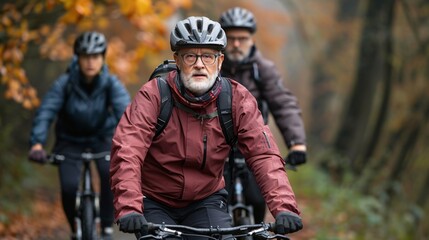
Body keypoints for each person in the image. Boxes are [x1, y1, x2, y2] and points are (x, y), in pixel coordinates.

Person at [110, 16, 303, 238]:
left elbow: (264, 155)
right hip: (155, 201)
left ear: (220, 61)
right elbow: (128, 150)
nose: (199, 64)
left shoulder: (236, 99)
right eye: (190, 56)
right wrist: (130, 207)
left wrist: (284, 207)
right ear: (178, 60)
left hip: (206, 199)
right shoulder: (153, 95)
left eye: (208, 56)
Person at [28, 31, 131, 240]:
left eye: (95, 56)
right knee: (68, 187)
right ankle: (75, 229)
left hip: (102, 137)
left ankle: (106, 228)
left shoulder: (111, 83)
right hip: (70, 140)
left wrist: (131, 144)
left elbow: (127, 115)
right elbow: (47, 111)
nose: (90, 62)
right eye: (86, 56)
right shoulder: (64, 84)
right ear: (78, 58)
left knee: (109, 175)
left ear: (102, 58)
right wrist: (37, 143)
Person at [219, 7, 308, 224]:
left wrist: (297, 144)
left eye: (242, 38)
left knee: (259, 200)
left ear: (251, 39)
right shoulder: (212, 66)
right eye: (231, 39)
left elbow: (283, 104)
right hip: (217, 145)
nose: (236, 44)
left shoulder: (263, 68)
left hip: (253, 144)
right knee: (215, 202)